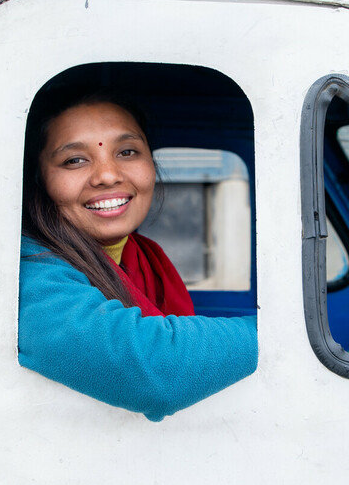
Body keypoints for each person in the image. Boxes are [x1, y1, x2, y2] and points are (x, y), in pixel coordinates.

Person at [18, 84, 258, 421]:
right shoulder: (28, 271)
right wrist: (290, 336)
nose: (107, 175)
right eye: (74, 160)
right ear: (39, 179)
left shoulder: (145, 256)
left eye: (127, 152)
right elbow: (156, 369)